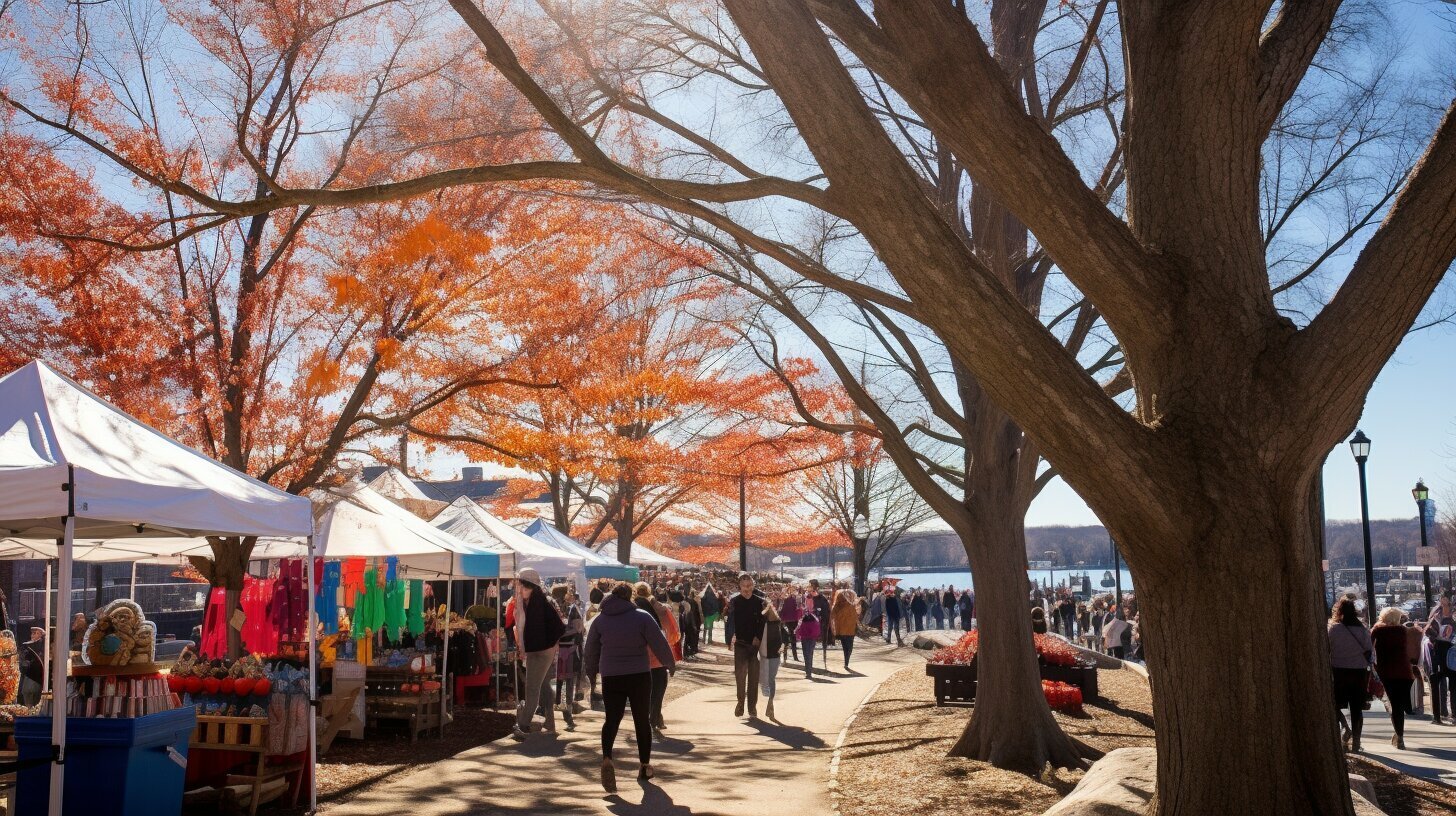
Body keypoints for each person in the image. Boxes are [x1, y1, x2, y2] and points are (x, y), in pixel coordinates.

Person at [583, 582, 675, 792]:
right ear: (630, 597)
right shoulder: (642, 616)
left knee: (612, 720)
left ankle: (607, 757)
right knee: (641, 720)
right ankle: (644, 765)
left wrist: (591, 674)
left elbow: (590, 650)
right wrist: (669, 663)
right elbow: (659, 642)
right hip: (639, 675)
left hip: (611, 675)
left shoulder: (599, 620)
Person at [512, 568, 565, 740]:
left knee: (532, 687)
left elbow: (559, 627)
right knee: (542, 686)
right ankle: (549, 722)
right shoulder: (528, 602)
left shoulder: (541, 602)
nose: (520, 590)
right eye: (520, 587)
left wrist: (548, 645)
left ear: (532, 587)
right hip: (536, 650)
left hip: (541, 651)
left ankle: (524, 725)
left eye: (524, 587)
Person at [1329, 596, 1374, 753]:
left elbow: (1327, 649)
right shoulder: (1362, 630)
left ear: (1339, 611)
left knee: (1334, 705)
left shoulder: (1334, 630)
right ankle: (1356, 740)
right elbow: (1370, 652)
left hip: (1339, 672)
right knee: (1356, 709)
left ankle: (1344, 728)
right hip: (1359, 673)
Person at [1372, 607, 1413, 749]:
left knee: (1395, 705)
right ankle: (1398, 734)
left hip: (1387, 672)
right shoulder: (1402, 630)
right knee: (1398, 705)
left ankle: (1399, 737)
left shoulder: (1378, 630)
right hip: (1405, 672)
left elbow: (1369, 647)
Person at [728, 573, 767, 718]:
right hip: (740, 643)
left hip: (755, 644)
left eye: (750, 585)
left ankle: (752, 707)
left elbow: (763, 622)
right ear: (739, 586)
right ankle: (740, 703)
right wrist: (729, 638)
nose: (747, 589)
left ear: (753, 585)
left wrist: (758, 637)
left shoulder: (759, 602)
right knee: (740, 676)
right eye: (744, 586)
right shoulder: (734, 602)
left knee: (753, 677)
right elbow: (730, 621)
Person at [646, 588, 681, 738]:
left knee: (645, 692)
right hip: (660, 658)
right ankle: (654, 719)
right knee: (658, 691)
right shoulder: (663, 610)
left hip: (640, 660)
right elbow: (674, 632)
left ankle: (652, 718)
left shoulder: (634, 611)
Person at [551, 586, 585, 729]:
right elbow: (579, 630)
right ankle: (567, 713)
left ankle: (557, 711)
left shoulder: (552, 608)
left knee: (556, 681)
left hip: (555, 650)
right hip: (569, 649)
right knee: (567, 682)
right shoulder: (572, 609)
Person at [759, 601, 784, 720]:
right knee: (771, 679)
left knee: (764, 679)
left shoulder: (761, 622)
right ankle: (770, 702)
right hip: (775, 654)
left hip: (764, 654)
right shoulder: (778, 622)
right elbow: (785, 637)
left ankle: (769, 701)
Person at [831, 587, 859, 671]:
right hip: (850, 629)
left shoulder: (838, 603)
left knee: (845, 647)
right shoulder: (853, 604)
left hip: (842, 629)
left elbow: (833, 613)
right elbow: (857, 614)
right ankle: (847, 661)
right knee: (849, 647)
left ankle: (846, 661)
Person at [19, 627, 44, 706]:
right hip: (30, 678)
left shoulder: (33, 646)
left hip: (34, 679)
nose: (32, 635)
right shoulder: (27, 646)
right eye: (32, 633)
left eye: (35, 633)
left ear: (40, 635)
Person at [796, 605, 822, 679]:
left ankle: (808, 672)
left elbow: (799, 630)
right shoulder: (815, 620)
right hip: (812, 639)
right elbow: (818, 631)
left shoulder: (803, 620)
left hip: (804, 639)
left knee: (806, 655)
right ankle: (809, 672)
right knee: (810, 655)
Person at [779, 588, 802, 662]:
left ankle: (787, 657)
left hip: (788, 621)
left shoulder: (787, 600)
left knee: (787, 640)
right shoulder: (791, 600)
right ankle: (792, 657)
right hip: (790, 621)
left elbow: (781, 611)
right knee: (791, 639)